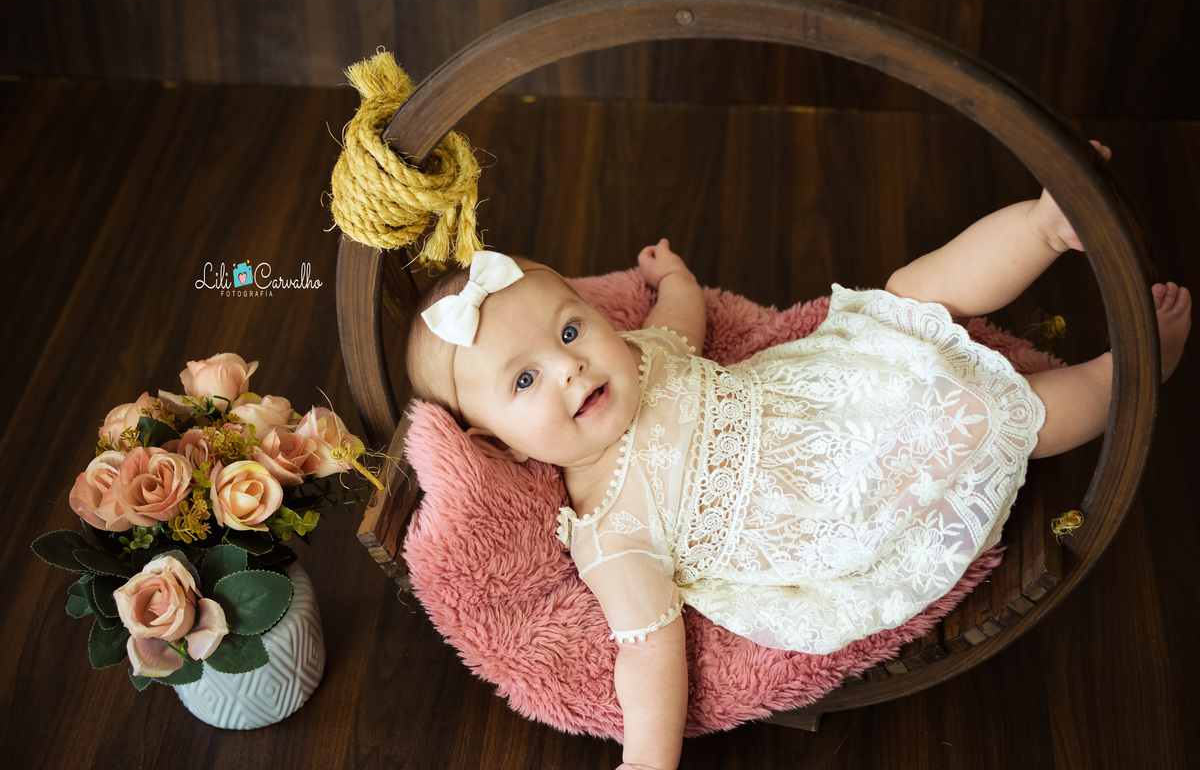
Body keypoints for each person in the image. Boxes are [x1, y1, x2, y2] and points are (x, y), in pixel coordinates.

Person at [404, 143, 1191, 770]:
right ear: (492, 443)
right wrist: (648, 760)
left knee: (910, 293)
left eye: (571, 330)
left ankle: (1045, 222)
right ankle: (1127, 374)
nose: (571, 366)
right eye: (526, 379)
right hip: (837, 494)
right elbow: (648, 648)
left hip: (826, 389)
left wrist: (670, 275)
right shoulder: (610, 529)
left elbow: (683, 315)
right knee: (992, 420)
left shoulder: (643, 357)